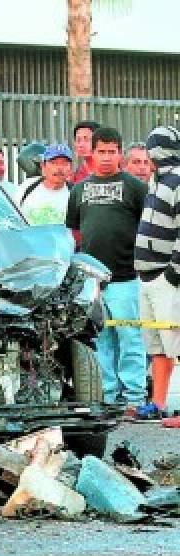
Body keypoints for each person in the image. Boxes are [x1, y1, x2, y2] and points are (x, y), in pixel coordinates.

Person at [65, 126, 148, 412]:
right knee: (101, 339)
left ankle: (135, 397)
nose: (106, 157)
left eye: (112, 152)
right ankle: (108, 395)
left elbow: (148, 229)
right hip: (92, 282)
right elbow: (73, 233)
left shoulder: (136, 188)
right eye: (102, 151)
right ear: (93, 152)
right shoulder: (78, 190)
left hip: (127, 277)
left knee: (130, 338)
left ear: (120, 154)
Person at [133, 126, 180, 419]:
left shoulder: (176, 182)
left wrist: (173, 274)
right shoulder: (157, 181)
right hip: (148, 277)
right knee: (157, 347)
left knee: (177, 343)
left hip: (166, 277)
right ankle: (158, 404)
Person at [18, 144, 74, 225]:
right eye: (54, 163)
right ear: (43, 166)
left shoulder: (75, 194)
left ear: (70, 168)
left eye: (64, 163)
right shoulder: (27, 187)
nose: (59, 168)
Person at [72, 119, 101, 184]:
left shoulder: (110, 170)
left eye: (87, 140)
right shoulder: (76, 175)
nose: (81, 145)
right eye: (78, 140)